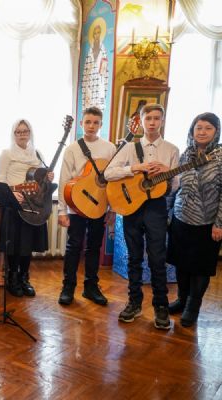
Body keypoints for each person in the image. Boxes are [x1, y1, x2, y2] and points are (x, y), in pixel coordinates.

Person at [104, 103, 179, 330]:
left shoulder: (172, 149)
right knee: (134, 257)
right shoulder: (129, 148)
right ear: (142, 121)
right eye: (148, 118)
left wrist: (167, 172)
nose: (152, 122)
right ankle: (134, 302)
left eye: (157, 118)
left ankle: (161, 306)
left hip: (157, 207)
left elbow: (175, 185)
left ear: (162, 121)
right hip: (132, 206)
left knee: (157, 257)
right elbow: (108, 173)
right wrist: (135, 168)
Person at [167, 112, 222, 327]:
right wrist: (169, 213)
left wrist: (219, 223)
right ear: (192, 131)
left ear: (216, 131)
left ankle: (192, 306)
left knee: (200, 267)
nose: (202, 132)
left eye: (208, 128)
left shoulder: (220, 157)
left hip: (207, 223)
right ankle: (182, 299)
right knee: (181, 263)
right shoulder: (186, 155)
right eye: (198, 128)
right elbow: (176, 187)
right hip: (181, 218)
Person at [57, 107, 116, 306]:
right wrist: (62, 210)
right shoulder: (72, 148)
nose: (91, 126)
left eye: (95, 123)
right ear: (81, 124)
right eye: (88, 122)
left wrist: (112, 209)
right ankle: (68, 287)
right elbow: (64, 179)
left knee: (94, 247)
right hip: (76, 204)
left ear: (101, 125)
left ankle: (91, 287)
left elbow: (113, 180)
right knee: (73, 246)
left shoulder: (109, 148)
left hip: (100, 205)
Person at [0, 119, 53, 297]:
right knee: (14, 244)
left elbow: (41, 179)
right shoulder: (6, 154)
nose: (22, 134)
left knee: (28, 244)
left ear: (30, 133)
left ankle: (24, 278)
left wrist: (49, 177)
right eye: (18, 132)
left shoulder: (37, 154)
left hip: (34, 205)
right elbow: (0, 179)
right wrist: (12, 193)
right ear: (13, 134)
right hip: (15, 204)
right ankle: (12, 278)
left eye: (25, 131)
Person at [81, 17, 108, 112]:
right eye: (95, 33)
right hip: (90, 81)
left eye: (98, 33)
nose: (97, 35)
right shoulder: (90, 49)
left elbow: (105, 67)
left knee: (98, 107)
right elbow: (86, 68)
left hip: (99, 81)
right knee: (88, 106)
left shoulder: (103, 48)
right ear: (93, 35)